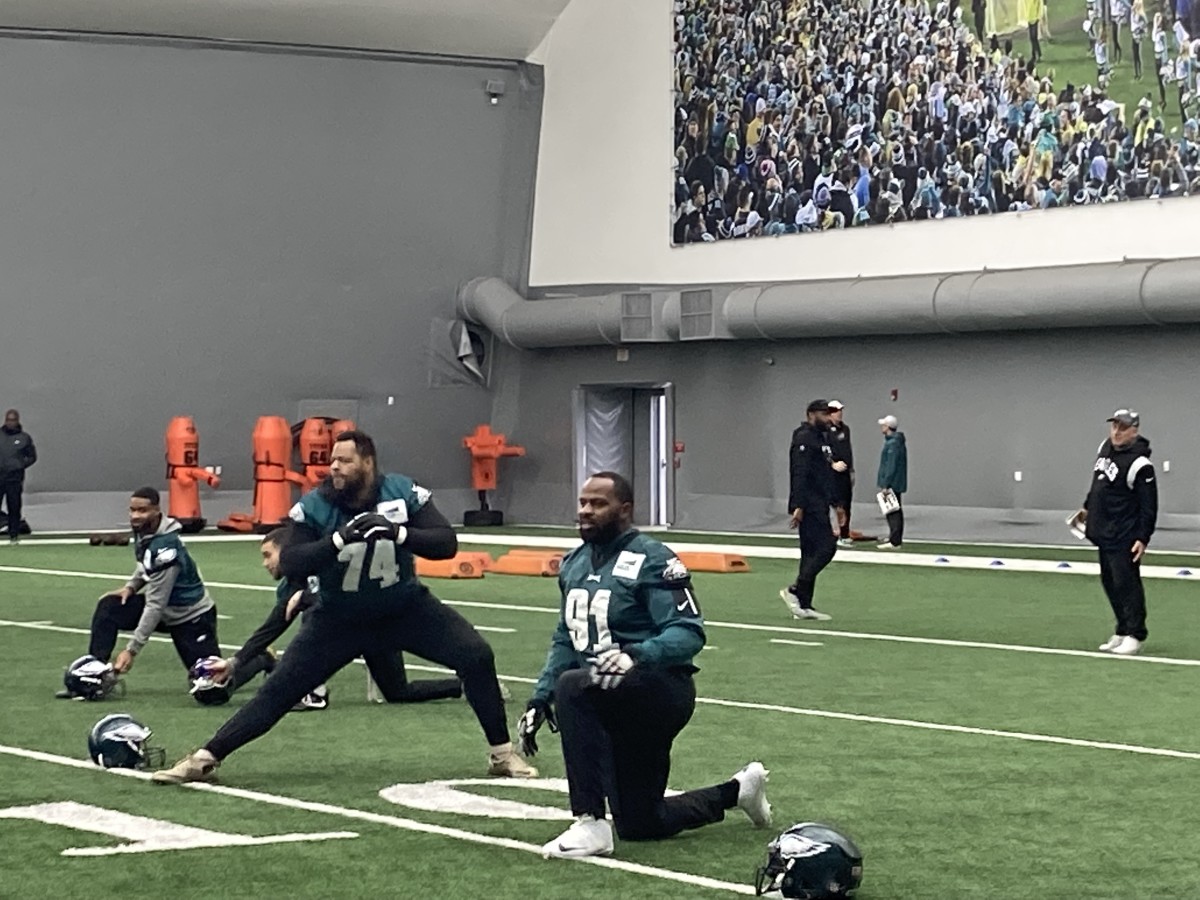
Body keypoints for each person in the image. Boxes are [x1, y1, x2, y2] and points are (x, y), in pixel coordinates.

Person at [152, 429, 535, 785]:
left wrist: (397, 532)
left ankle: (502, 754)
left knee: (476, 655)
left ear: (368, 463)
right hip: (339, 617)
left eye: (345, 460)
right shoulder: (317, 505)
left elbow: (444, 543)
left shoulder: (402, 493)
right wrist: (338, 540)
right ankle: (205, 758)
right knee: (279, 691)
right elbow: (293, 561)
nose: (334, 467)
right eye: (333, 460)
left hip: (402, 606)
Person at [517, 472, 771, 859]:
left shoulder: (654, 559)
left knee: (574, 685)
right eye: (583, 503)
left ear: (625, 509)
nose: (586, 511)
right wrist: (539, 698)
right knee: (640, 823)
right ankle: (738, 790)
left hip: (658, 690)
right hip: (605, 694)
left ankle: (590, 821)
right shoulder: (573, 563)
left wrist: (636, 654)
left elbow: (688, 632)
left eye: (598, 504)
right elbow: (566, 638)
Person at [203, 528, 464, 710]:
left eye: (268, 555)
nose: (265, 564)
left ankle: (464, 684)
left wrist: (308, 596)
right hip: (348, 633)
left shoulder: (320, 560)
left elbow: (348, 591)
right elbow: (273, 626)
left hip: (376, 622)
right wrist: (235, 662)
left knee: (397, 691)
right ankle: (459, 686)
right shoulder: (290, 583)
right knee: (396, 692)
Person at [57, 486, 272, 698]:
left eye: (142, 511)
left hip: (190, 617)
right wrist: (131, 587)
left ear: (157, 512)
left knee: (211, 687)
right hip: (167, 608)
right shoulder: (147, 531)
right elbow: (145, 564)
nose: (135, 516)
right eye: (132, 510)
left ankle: (262, 658)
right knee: (110, 607)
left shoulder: (166, 547)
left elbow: (155, 605)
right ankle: (95, 675)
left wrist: (131, 650)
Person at [1076, 409, 1157, 656]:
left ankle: (1135, 633)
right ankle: (1122, 629)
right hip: (1104, 530)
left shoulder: (1141, 464)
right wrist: (1087, 506)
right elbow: (1098, 482)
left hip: (1125, 534)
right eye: (1114, 426)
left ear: (1134, 430)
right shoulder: (1105, 448)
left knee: (1127, 584)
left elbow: (1149, 505)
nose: (1116, 432)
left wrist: (1143, 537)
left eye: (1123, 427)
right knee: (1110, 582)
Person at [780, 400, 844, 621]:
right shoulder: (803, 437)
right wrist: (797, 505)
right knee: (827, 547)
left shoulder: (823, 437)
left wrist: (836, 504)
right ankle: (795, 591)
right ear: (811, 414)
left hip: (821, 502)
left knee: (811, 553)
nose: (828, 418)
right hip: (808, 503)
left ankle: (803, 605)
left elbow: (825, 473)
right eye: (824, 414)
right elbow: (800, 472)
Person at [0, 409, 37, 544]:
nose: (11, 422)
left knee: (14, 506)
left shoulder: (24, 438)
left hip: (14, 478)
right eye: (8, 420)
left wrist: (20, 465)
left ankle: (14, 535)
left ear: (17, 421)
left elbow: (32, 456)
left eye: (13, 420)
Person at [876, 415, 908, 549]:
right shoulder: (894, 442)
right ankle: (894, 537)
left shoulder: (893, 444)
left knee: (893, 512)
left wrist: (885, 483)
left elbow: (890, 465)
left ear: (888, 427)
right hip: (895, 482)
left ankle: (895, 541)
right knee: (894, 510)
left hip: (892, 483)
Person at [827, 400, 855, 547]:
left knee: (846, 504)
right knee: (835, 504)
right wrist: (832, 463)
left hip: (845, 473)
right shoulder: (825, 430)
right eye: (836, 411)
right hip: (832, 473)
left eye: (840, 410)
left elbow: (848, 451)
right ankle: (829, 534)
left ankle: (844, 533)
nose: (839, 413)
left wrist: (851, 470)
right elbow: (824, 450)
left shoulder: (845, 429)